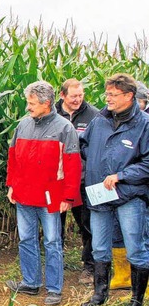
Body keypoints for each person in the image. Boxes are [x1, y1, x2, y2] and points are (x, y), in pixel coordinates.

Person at [5, 81, 82, 306]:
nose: (28, 107)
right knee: (27, 239)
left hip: (51, 197)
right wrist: (12, 185)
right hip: (24, 195)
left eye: (32, 103)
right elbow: (13, 159)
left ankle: (54, 289)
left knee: (52, 242)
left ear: (46, 103)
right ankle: (30, 282)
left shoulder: (64, 128)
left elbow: (72, 165)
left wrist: (68, 197)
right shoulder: (23, 125)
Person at [80, 73, 149, 306]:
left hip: (129, 195)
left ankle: (136, 301)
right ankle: (100, 294)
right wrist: (97, 168)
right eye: (107, 93)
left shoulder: (145, 124)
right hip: (100, 194)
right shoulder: (100, 120)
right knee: (99, 247)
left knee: (135, 249)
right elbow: (85, 144)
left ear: (129, 96)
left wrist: (122, 174)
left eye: (113, 94)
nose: (107, 98)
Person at [55, 79, 99, 284]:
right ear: (62, 95)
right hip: (55, 181)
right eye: (73, 96)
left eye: (81, 95)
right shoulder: (51, 113)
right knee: (55, 226)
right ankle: (56, 265)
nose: (78, 100)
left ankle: (89, 267)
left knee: (87, 225)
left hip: (82, 181)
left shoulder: (94, 115)